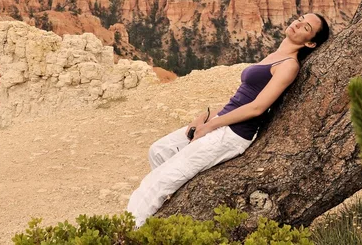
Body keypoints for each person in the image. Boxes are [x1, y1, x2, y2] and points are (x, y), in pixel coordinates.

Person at [126, 13, 331, 227]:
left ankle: (127, 233)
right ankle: (166, 204)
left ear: (310, 42)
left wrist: (211, 126)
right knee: (159, 151)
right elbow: (239, 98)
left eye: (306, 27)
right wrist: (205, 117)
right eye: (300, 18)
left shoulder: (289, 65)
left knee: (156, 182)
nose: (297, 23)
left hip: (233, 134)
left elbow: (257, 107)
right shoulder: (274, 55)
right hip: (221, 121)